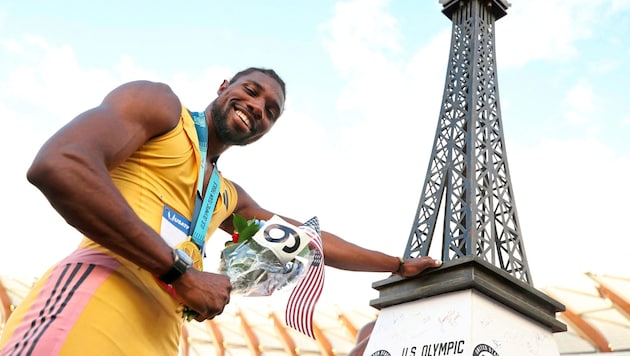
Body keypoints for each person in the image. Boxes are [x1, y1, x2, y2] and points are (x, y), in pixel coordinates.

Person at [0, 67, 441, 355]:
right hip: (95, 298)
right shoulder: (162, 109)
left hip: (163, 335)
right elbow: (60, 165)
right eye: (251, 92)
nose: (257, 108)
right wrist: (181, 274)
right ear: (224, 86)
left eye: (271, 112)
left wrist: (398, 265)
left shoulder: (228, 195)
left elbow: (311, 242)